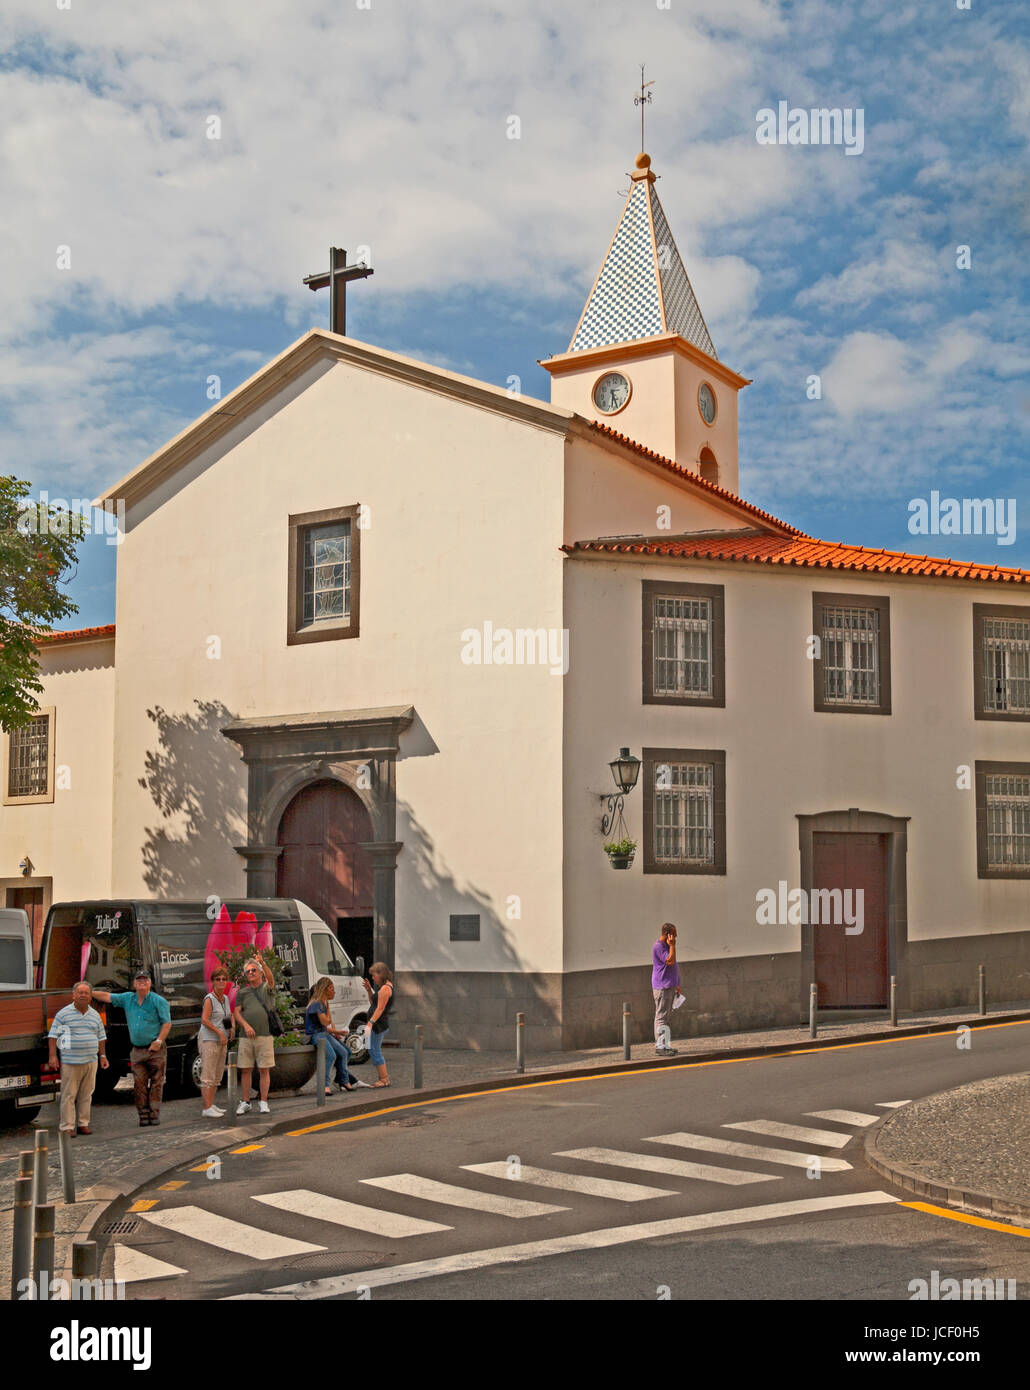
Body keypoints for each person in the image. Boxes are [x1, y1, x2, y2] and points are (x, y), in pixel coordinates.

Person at [92, 970, 171, 1125]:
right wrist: (88, 992)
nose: (142, 983)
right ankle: (142, 1115)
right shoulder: (128, 998)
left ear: (150, 983)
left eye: (145, 980)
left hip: (155, 1050)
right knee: (139, 1083)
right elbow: (107, 997)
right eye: (139, 980)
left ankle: (154, 1114)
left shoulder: (159, 1001)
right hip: (137, 1050)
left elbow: (167, 1023)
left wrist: (159, 1040)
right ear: (134, 984)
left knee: (156, 1083)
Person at [47, 981, 109, 1136]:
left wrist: (102, 1055)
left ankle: (83, 1124)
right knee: (69, 1095)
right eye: (80, 992)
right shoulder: (63, 1014)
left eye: (86, 993)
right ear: (73, 995)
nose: (83, 995)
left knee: (86, 1094)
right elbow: (53, 1035)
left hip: (90, 1061)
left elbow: (101, 1037)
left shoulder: (94, 1014)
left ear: (90, 997)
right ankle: (67, 1126)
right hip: (70, 1062)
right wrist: (53, 1056)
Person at [233, 955, 276, 1115]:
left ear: (259, 972)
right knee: (245, 1069)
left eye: (253, 970)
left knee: (264, 1069)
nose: (250, 973)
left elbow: (271, 980)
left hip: (265, 1035)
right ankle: (245, 1101)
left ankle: (263, 1102)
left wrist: (263, 963)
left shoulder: (266, 988)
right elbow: (236, 1012)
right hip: (246, 1036)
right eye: (248, 971)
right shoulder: (243, 992)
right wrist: (245, 1025)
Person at [305, 977, 355, 1095]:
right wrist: (327, 1008)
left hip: (324, 1033)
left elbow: (327, 1023)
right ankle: (324, 1085)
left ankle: (343, 1080)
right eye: (332, 989)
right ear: (325, 990)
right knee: (331, 1055)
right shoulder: (317, 1004)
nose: (334, 992)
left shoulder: (323, 1003)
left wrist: (336, 1032)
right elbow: (325, 1022)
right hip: (316, 1035)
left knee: (344, 1052)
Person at [198, 968, 235, 1118]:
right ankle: (206, 1107)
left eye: (223, 979)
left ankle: (211, 1104)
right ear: (213, 982)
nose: (221, 982)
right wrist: (219, 1032)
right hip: (209, 1039)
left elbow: (228, 1015)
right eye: (218, 979)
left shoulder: (225, 998)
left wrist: (231, 1028)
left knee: (217, 1073)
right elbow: (204, 1020)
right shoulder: (209, 999)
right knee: (208, 1073)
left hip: (222, 1040)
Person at [651, 923, 682, 1058]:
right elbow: (669, 961)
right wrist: (672, 945)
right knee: (661, 1017)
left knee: (666, 1017)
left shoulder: (667, 946)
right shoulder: (659, 946)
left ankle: (666, 1044)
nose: (676, 936)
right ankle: (660, 1046)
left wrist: (677, 983)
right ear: (668, 934)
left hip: (669, 985)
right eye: (674, 934)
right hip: (662, 986)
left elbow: (674, 965)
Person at [361, 962, 394, 1088]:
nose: (373, 978)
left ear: (381, 974)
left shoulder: (385, 989)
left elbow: (379, 1009)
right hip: (377, 1023)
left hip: (378, 1024)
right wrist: (369, 990)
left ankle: (384, 1079)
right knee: (372, 1049)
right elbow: (373, 1003)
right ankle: (383, 1078)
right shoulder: (383, 987)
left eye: (374, 975)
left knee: (374, 1050)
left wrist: (370, 1023)